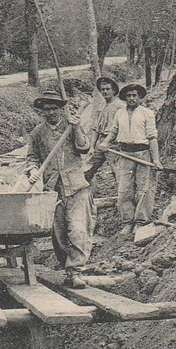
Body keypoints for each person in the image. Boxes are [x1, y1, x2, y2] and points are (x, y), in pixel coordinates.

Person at [26, 90, 94, 283]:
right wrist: (32, 171)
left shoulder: (71, 126)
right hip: (53, 189)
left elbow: (84, 148)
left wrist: (77, 127)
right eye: (47, 109)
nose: (51, 112)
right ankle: (67, 270)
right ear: (42, 112)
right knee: (59, 233)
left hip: (76, 186)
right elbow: (31, 158)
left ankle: (76, 271)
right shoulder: (37, 133)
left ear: (61, 110)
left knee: (79, 229)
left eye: (55, 108)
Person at [100, 82, 162, 238]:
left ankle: (140, 222)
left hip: (143, 154)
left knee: (143, 188)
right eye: (128, 95)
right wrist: (106, 142)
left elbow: (152, 137)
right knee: (124, 190)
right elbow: (114, 130)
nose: (131, 98)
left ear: (140, 97)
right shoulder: (120, 113)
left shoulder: (147, 113)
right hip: (125, 155)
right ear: (124, 98)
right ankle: (128, 222)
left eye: (135, 95)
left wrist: (156, 160)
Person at [79, 75, 121, 177]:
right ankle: (85, 190)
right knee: (88, 167)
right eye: (102, 89)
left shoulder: (120, 106)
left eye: (108, 89)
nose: (105, 92)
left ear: (114, 91)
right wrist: (92, 147)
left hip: (115, 144)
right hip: (101, 142)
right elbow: (96, 128)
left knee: (118, 171)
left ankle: (123, 192)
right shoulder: (102, 106)